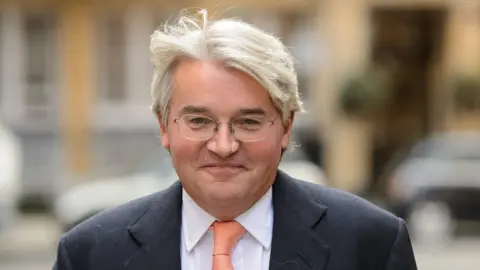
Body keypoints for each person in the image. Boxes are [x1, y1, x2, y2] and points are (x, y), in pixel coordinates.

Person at [53, 9, 417, 270]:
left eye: (248, 121)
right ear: (164, 125)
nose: (223, 145)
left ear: (286, 127)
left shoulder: (371, 245)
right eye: (199, 121)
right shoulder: (91, 254)